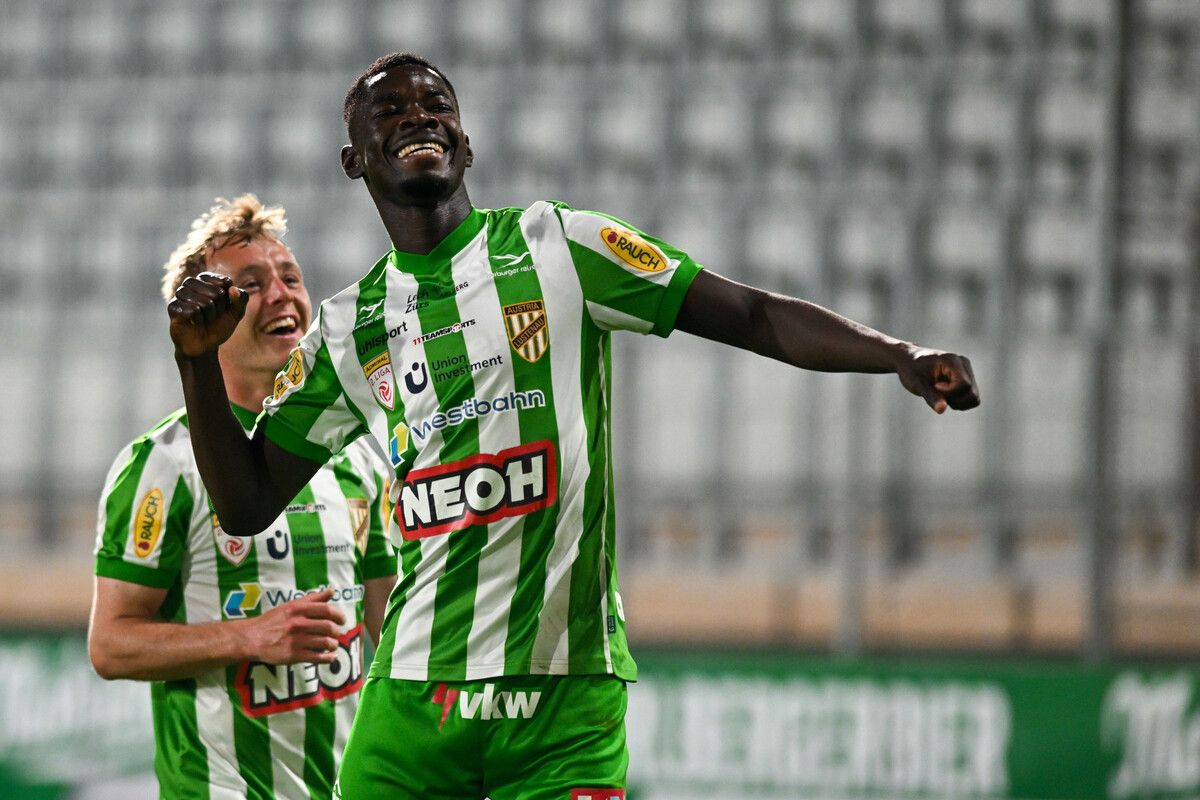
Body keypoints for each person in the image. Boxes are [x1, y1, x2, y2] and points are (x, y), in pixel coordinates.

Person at [166, 55, 981, 800]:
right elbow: (244, 503)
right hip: (415, 700)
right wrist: (196, 364)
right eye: (389, 111)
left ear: (465, 140)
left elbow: (754, 314)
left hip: (566, 695)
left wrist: (897, 354)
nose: (417, 116)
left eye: (435, 103)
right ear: (355, 160)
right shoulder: (352, 328)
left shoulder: (560, 245)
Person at [91, 195, 397, 800]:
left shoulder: (356, 453)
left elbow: (387, 626)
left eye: (291, 277)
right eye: (251, 285)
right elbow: (110, 644)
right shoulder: (163, 463)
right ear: (207, 320)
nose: (282, 294)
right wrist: (247, 637)